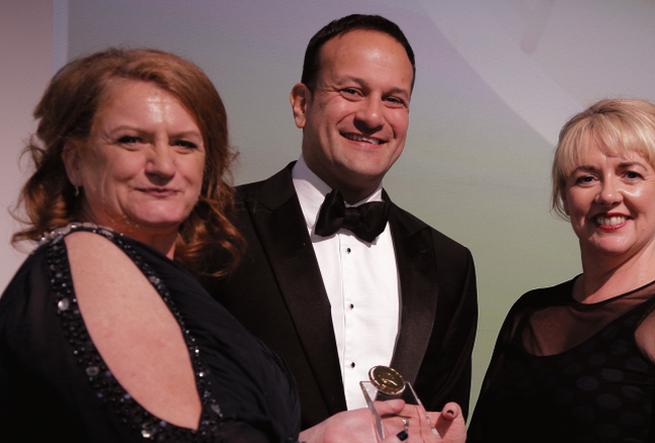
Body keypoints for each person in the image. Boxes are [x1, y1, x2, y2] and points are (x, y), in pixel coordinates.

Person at [0, 47, 464, 443]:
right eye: (131, 140)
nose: (164, 164)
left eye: (185, 144)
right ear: (76, 160)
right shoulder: (90, 258)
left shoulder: (158, 273)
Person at [204, 14, 478, 429]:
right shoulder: (216, 226)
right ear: (301, 103)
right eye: (352, 91)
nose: (372, 116)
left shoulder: (450, 265)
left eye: (394, 99)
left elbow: (443, 419)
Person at [468, 99, 655, 442]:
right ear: (565, 198)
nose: (608, 194)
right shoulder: (531, 312)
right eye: (586, 178)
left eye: (631, 174)